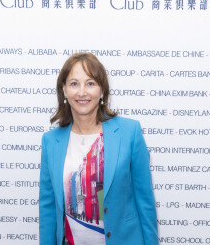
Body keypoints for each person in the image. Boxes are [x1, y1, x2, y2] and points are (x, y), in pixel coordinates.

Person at [39, 53, 158, 245]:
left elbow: (145, 202)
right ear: (64, 90)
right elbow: (48, 209)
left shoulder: (129, 132)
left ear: (102, 90)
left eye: (90, 83)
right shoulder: (51, 141)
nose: (82, 92)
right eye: (74, 83)